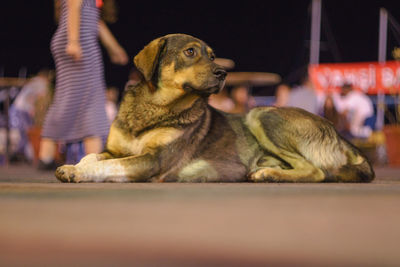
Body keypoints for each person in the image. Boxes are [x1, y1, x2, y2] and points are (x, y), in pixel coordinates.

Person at [38, 0, 128, 169]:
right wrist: (73, 42)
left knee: (74, 99)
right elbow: (74, 6)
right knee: (92, 98)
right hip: (78, 43)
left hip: (78, 41)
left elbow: (95, 21)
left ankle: (47, 157)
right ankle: (92, 160)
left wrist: (114, 48)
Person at [8, 69, 53, 162]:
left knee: (25, 132)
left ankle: (20, 154)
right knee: (27, 131)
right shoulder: (40, 82)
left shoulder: (34, 81)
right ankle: (19, 154)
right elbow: (38, 97)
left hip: (19, 107)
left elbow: (31, 96)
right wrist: (33, 109)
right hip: (22, 109)